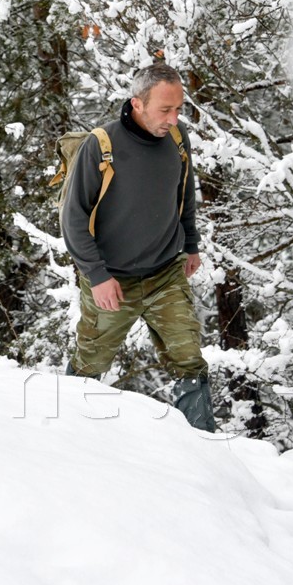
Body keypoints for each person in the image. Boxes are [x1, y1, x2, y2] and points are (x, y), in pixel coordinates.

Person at [60, 63, 216, 432]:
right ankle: (66, 436)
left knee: (188, 359)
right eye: (165, 110)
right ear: (137, 104)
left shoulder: (178, 141)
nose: (174, 118)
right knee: (90, 364)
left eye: (178, 108)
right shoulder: (101, 146)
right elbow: (73, 219)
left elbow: (184, 195)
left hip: (165, 273)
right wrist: (98, 276)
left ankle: (205, 448)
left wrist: (190, 245)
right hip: (113, 280)